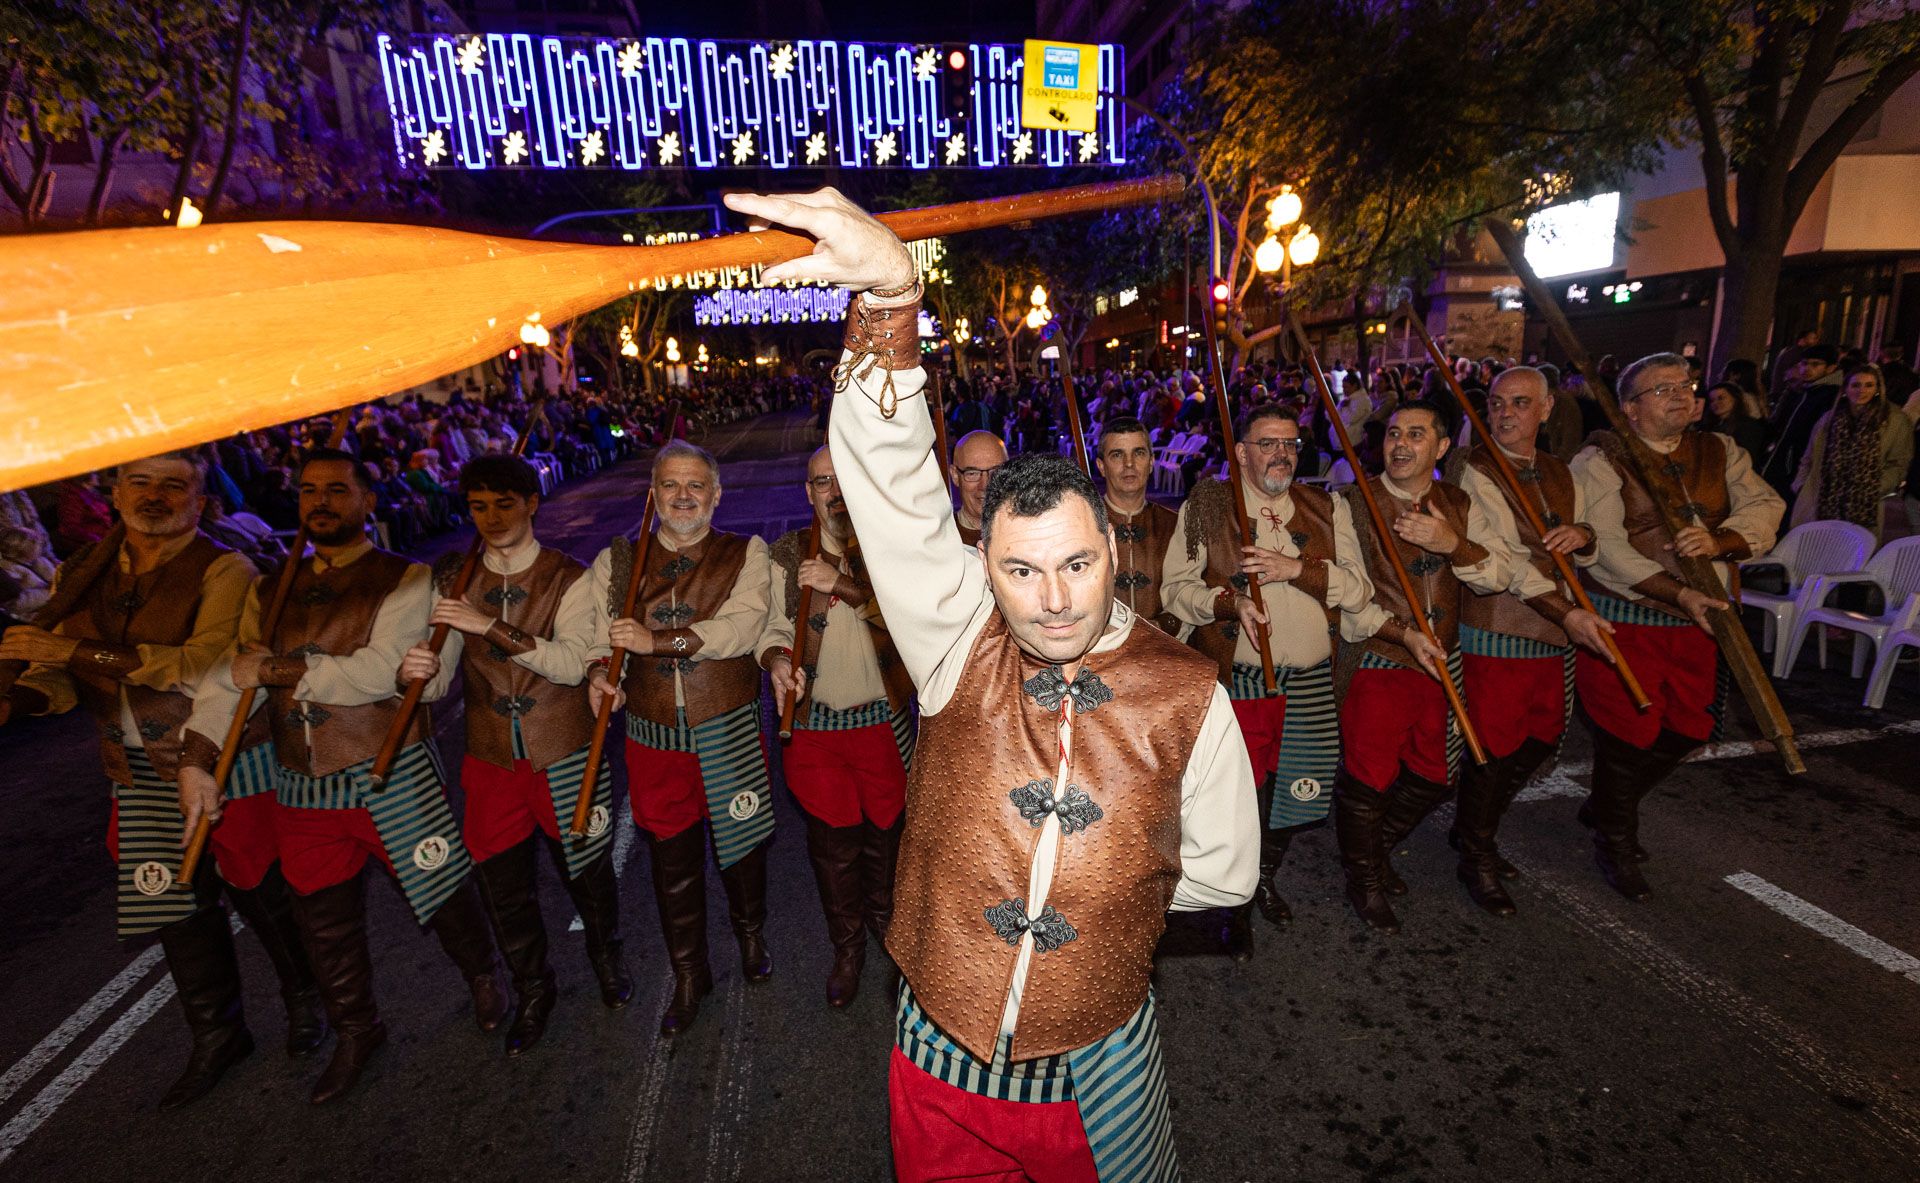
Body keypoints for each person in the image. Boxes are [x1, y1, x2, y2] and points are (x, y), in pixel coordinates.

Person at [728, 184, 1257, 1182]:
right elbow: (893, 492)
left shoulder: (1190, 691)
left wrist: (1091, 894)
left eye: (1074, 563)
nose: (1051, 597)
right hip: (937, 1060)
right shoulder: (952, 642)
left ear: (1112, 545)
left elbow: (1224, 872)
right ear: (986, 568)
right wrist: (892, 299)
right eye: (1019, 569)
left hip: (1098, 1067)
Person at [180, 448, 506, 1103]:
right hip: (302, 779)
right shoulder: (268, 590)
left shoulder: (406, 578)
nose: (319, 502)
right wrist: (196, 757)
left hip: (391, 769)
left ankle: (483, 974)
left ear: (368, 500)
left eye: (336, 489)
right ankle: (359, 1028)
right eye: (307, 491)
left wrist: (275, 671)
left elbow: (380, 669)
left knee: (441, 889)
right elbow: (227, 678)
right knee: (322, 921)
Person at [0, 453, 320, 1110]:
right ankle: (217, 1034)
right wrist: (21, 698)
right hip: (133, 766)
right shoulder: (80, 572)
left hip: (225, 754)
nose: (155, 495)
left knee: (261, 891)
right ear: (113, 493)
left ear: (201, 501)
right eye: (140, 481)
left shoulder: (225, 568)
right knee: (173, 903)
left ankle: (307, 1000)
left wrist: (67, 651)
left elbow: (203, 664)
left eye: (175, 484)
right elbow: (59, 684)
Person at [401, 455, 633, 1057]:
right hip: (491, 760)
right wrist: (417, 673)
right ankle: (534, 988)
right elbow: (439, 680)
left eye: (505, 503)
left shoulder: (570, 577)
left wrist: (489, 626)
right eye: (478, 506)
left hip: (562, 749)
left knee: (586, 873)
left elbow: (567, 660)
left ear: (533, 502)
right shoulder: (454, 575)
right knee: (505, 889)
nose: (491, 518)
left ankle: (607, 962)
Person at [1572, 354, 1782, 900]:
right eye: (1661, 389)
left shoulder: (1720, 450)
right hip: (1627, 620)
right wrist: (1675, 590)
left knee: (1691, 728)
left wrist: (1722, 541)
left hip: (1702, 619)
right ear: (1631, 409)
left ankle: (1603, 806)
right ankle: (1615, 840)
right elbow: (1604, 546)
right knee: (1626, 735)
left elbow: (1765, 504)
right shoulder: (1600, 458)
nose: (1681, 396)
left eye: (1684, 386)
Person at [1162, 405, 1372, 945]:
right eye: (1267, 443)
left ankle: (1265, 878)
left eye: (1290, 444)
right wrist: (1229, 604)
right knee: (1238, 797)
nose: (1281, 454)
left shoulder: (1328, 508)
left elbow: (1359, 589)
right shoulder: (1209, 505)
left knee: (1295, 795)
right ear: (1241, 451)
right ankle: (1235, 898)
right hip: (1243, 681)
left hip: (1312, 679)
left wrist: (1298, 570)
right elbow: (1175, 590)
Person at [586, 440, 776, 1037]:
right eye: (671, 485)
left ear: (716, 494)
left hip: (728, 726)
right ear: (653, 495)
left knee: (742, 849)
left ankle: (750, 936)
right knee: (673, 862)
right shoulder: (617, 561)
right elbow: (598, 634)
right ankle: (691, 972)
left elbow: (742, 627)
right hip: (652, 735)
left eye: (696, 485)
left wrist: (657, 642)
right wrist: (598, 672)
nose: (684, 496)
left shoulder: (745, 552)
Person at [1335, 404, 1513, 934]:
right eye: (1393, 433)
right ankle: (1362, 876)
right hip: (1378, 656)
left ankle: (1376, 847)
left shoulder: (1459, 501)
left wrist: (1452, 544)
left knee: (1437, 773)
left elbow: (1496, 574)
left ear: (1440, 448)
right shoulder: (1351, 502)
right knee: (1368, 776)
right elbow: (1346, 590)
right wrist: (1400, 632)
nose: (1402, 444)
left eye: (1417, 434)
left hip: (1442, 660)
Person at [1448, 369, 1615, 915]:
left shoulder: (1559, 470)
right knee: (1494, 745)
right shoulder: (1474, 469)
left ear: (1546, 410)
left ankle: (1475, 828)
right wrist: (1566, 611)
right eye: (1496, 403)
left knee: (1542, 736)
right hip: (1499, 624)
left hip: (1553, 625)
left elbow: (1590, 532)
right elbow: (1505, 562)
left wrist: (1583, 535)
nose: (1504, 413)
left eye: (1520, 403)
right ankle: (1476, 851)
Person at [761, 447, 914, 1008]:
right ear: (809, 492)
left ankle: (889, 931)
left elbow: (908, 618)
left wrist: (840, 582)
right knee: (834, 849)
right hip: (817, 731)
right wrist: (777, 659)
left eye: (842, 479)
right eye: (822, 481)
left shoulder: (887, 547)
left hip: (882, 721)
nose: (834, 491)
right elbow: (771, 626)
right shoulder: (784, 555)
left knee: (887, 842)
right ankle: (846, 948)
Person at [1790, 364, 1913, 541]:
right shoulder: (1829, 419)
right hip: (1822, 499)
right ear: (1846, 389)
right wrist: (1801, 485)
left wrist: (1874, 487)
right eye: (1856, 385)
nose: (1862, 390)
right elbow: (1809, 457)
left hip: (1864, 504)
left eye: (1869, 385)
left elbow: (1899, 462)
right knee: (1816, 549)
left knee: (1855, 554)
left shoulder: (1894, 421)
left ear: (1878, 389)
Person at [1093, 416, 1182, 635]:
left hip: (1166, 650)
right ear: (1101, 466)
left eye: (1139, 453)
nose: (1129, 464)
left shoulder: (1176, 524)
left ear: (1151, 462)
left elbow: (1188, 594)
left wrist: (1163, 627)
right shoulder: (1084, 524)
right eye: (1117, 455)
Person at [1761, 344, 1842, 500]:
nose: (1807, 369)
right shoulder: (1804, 391)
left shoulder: (1829, 397)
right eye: (1804, 363)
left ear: (1831, 368)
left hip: (1799, 470)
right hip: (1788, 467)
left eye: (1815, 364)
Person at [948, 430, 1009, 548]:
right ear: (955, 475)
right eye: (973, 473)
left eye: (995, 472)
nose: (985, 485)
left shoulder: (1026, 532)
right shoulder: (942, 538)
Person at [1703, 381, 1769, 461]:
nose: (1716, 403)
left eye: (1721, 398)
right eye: (1712, 400)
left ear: (1735, 399)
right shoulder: (1711, 426)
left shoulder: (1749, 426)